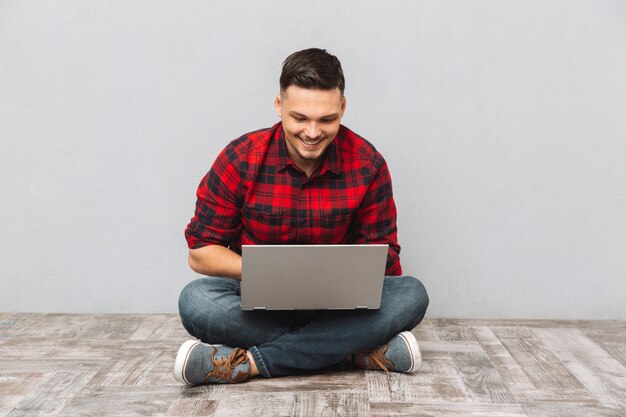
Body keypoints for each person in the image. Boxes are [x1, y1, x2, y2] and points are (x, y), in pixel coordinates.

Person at [174, 48, 429, 385]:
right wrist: (272, 273)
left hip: (339, 308)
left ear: (342, 108)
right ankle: (352, 352)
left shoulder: (368, 164)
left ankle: (247, 363)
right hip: (257, 307)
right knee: (197, 301)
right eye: (300, 118)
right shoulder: (240, 158)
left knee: (411, 294)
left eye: (326, 119)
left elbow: (387, 264)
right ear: (279, 106)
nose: (312, 132)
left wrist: (339, 279)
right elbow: (201, 252)